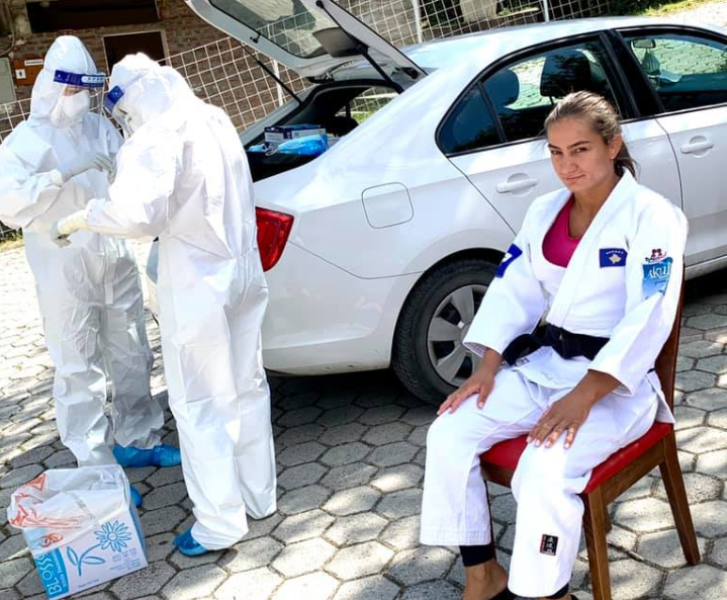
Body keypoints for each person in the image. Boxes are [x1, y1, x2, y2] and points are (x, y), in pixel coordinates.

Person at [419, 91, 687, 600]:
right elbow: (512, 288)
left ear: (613, 145)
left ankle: (549, 592)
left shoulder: (652, 215)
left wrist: (584, 396)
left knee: (544, 465)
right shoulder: (544, 211)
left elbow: (650, 315)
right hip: (546, 367)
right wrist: (488, 365)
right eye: (556, 152)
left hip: (615, 387)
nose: (567, 165)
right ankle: (483, 576)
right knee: (450, 430)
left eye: (580, 149)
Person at [51, 53, 277, 557]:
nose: (125, 120)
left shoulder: (157, 134)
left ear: (131, 99)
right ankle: (258, 497)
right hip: (243, 268)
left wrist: (84, 216)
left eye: (123, 111)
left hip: (199, 279)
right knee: (247, 386)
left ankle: (219, 524)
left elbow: (137, 215)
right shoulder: (212, 116)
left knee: (200, 402)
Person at [0, 37, 180, 508]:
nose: (80, 98)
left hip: (114, 258)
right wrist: (61, 175)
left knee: (133, 352)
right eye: (72, 89)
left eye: (86, 89)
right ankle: (97, 466)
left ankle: (138, 439)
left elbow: (128, 176)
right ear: (50, 87)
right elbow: (8, 204)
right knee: (78, 366)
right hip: (64, 268)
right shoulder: (26, 142)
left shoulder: (100, 128)